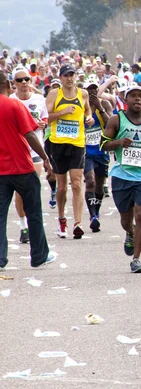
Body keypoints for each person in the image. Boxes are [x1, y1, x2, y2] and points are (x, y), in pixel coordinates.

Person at [101, 85, 141, 273]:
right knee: (126, 220)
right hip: (122, 175)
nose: (137, 99)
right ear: (125, 99)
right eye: (133, 96)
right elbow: (103, 144)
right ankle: (129, 232)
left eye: (140, 96)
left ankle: (136, 260)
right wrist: (120, 142)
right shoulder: (116, 119)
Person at [0, 71, 56, 269]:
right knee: (34, 213)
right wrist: (45, 158)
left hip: (1, 173)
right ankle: (39, 256)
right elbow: (31, 134)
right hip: (22, 167)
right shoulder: (14, 104)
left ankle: (0, 258)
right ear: (8, 84)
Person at [46, 64, 94, 239]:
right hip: (58, 143)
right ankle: (62, 220)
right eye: (66, 75)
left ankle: (78, 223)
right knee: (61, 187)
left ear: (76, 77)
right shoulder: (54, 94)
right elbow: (47, 117)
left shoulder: (83, 93)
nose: (69, 78)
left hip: (77, 143)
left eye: (72, 75)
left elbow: (87, 109)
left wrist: (88, 118)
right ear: (60, 77)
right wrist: (63, 111)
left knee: (76, 183)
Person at [9, 67, 48, 243]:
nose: (24, 82)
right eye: (20, 80)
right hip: (17, 151)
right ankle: (23, 225)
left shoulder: (39, 99)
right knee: (20, 192)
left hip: (35, 150)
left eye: (27, 79)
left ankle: (32, 228)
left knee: (32, 189)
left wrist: (42, 124)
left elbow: (45, 119)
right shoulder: (11, 100)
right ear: (13, 84)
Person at [82, 75, 113, 232]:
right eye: (90, 89)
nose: (93, 92)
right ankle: (93, 216)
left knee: (100, 185)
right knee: (90, 182)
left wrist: (100, 108)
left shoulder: (105, 104)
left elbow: (111, 124)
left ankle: (96, 211)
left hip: (102, 150)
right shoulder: (81, 106)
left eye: (95, 88)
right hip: (86, 151)